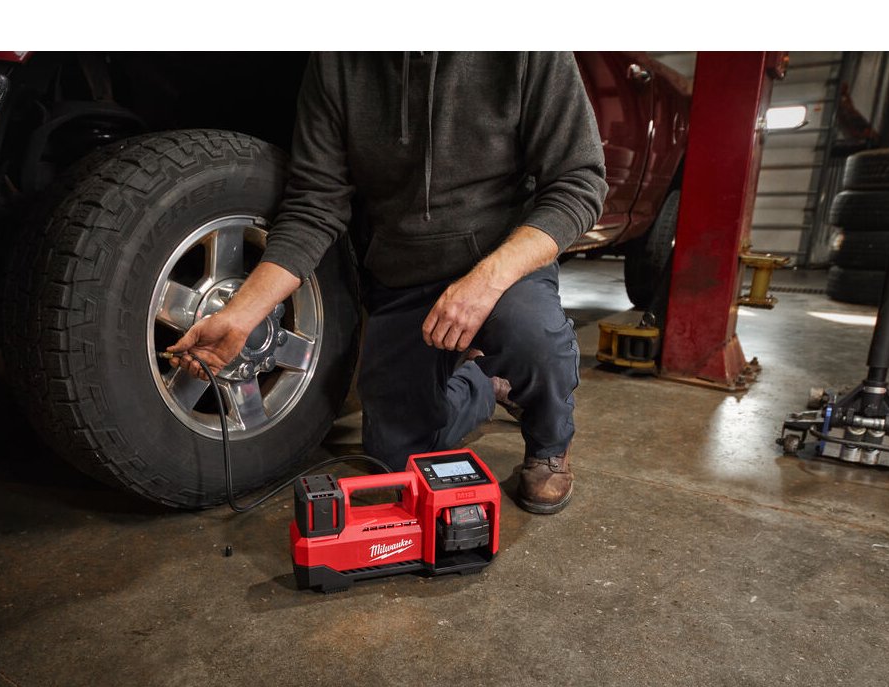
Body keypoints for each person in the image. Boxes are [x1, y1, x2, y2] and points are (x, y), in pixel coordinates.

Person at [168, 52, 607, 514]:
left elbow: (579, 182)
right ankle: (483, 384)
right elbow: (314, 206)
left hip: (502, 269)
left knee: (531, 335)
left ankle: (549, 444)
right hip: (403, 277)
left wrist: (485, 282)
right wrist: (240, 316)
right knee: (395, 460)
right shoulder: (339, 60)